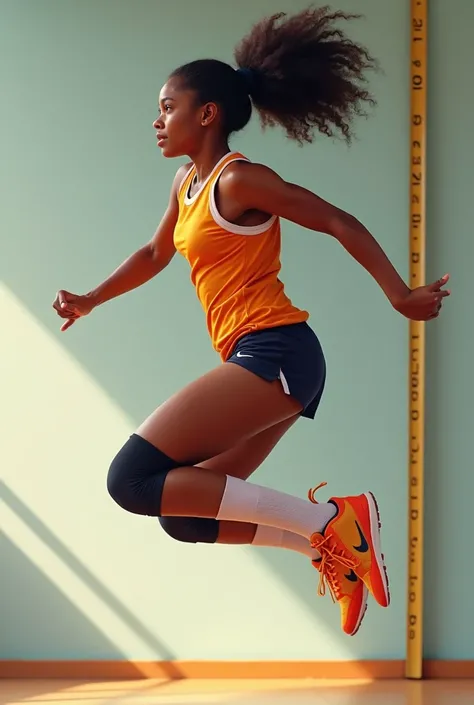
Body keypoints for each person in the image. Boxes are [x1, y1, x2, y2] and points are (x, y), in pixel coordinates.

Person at [53, 6, 450, 637]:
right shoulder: (189, 182)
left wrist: (398, 294)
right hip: (263, 359)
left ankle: (330, 523)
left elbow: (336, 219)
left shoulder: (240, 181)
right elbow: (156, 254)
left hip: (278, 352)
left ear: (206, 113)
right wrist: (93, 299)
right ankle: (327, 545)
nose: (157, 120)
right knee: (183, 514)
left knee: (129, 480)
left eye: (167, 106)